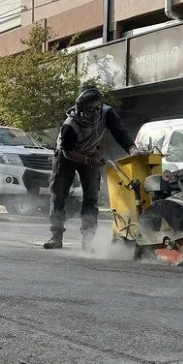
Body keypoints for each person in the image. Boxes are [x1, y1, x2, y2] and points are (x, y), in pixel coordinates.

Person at [43, 87, 139, 250]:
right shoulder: (70, 125)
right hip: (67, 156)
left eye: (97, 108)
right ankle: (56, 236)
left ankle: (88, 238)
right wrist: (89, 160)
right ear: (81, 109)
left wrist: (132, 149)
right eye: (90, 110)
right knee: (59, 192)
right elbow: (68, 152)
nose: (95, 113)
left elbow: (120, 132)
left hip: (90, 154)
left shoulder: (107, 113)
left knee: (91, 196)